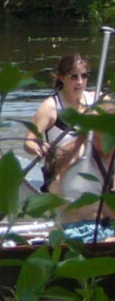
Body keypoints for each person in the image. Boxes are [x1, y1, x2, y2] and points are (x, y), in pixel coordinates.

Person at [48, 98, 115, 243]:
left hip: (110, 229)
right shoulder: (79, 149)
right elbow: (53, 166)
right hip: (78, 230)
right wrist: (83, 135)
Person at [25, 53, 92, 190]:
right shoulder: (50, 107)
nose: (80, 82)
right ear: (62, 78)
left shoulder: (96, 99)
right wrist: (39, 147)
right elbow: (28, 142)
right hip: (59, 174)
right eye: (74, 76)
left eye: (84, 76)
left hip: (91, 172)